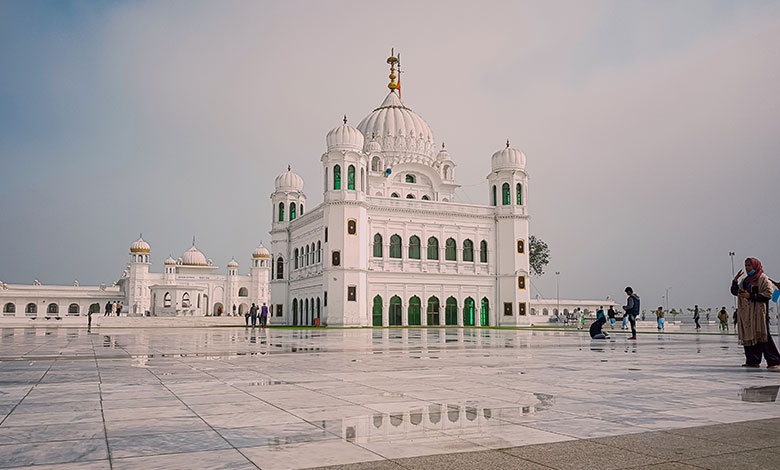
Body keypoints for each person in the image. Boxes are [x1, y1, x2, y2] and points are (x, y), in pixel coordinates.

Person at [730, 257, 780, 370]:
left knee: (763, 337)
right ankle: (753, 361)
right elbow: (735, 292)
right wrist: (735, 281)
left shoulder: (763, 279)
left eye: (749, 265)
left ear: (755, 266)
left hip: (759, 313)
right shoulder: (745, 280)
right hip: (747, 314)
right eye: (746, 265)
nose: (747, 268)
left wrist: (751, 296)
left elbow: (768, 295)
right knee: (749, 337)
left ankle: (773, 361)